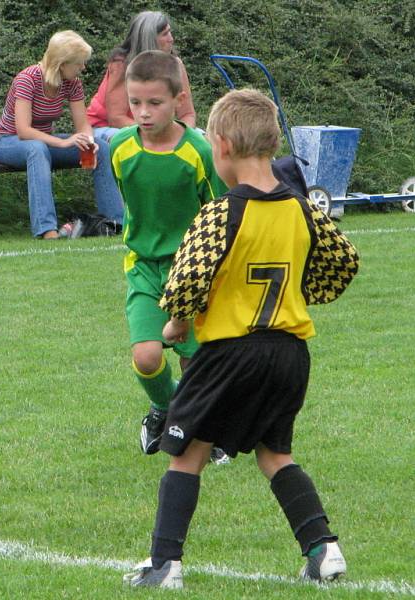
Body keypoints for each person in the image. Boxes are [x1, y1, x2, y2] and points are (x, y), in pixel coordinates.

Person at [123, 88, 359, 589]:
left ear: (222, 147)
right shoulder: (302, 208)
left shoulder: (219, 213)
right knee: (275, 455)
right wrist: (303, 291)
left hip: (230, 352)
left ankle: (164, 565)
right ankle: (323, 550)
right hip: (290, 353)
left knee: (186, 454)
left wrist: (176, 326)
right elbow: (343, 262)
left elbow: (185, 282)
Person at [109, 50, 226, 458]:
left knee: (196, 366)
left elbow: (219, 217)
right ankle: (165, 408)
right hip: (144, 267)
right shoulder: (120, 148)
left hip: (195, 272)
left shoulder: (201, 152)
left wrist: (205, 267)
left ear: (178, 101)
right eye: (135, 102)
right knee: (146, 356)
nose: (143, 112)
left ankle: (204, 431)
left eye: (154, 103)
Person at [0, 30, 124, 239]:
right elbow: (23, 131)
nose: (83, 67)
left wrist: (88, 141)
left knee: (102, 146)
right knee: (37, 148)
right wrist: (63, 144)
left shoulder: (72, 83)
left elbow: (83, 125)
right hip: (8, 142)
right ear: (62, 64)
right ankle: (47, 229)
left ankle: (116, 223)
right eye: (79, 63)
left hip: (44, 143)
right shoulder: (28, 79)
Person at [87, 10, 196, 145]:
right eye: (165, 34)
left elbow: (187, 115)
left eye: (170, 32)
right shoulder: (122, 65)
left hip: (157, 128)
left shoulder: (175, 65)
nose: (171, 39)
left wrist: (184, 135)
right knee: (133, 143)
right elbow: (116, 118)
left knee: (204, 138)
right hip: (106, 128)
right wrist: (157, 134)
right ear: (149, 39)